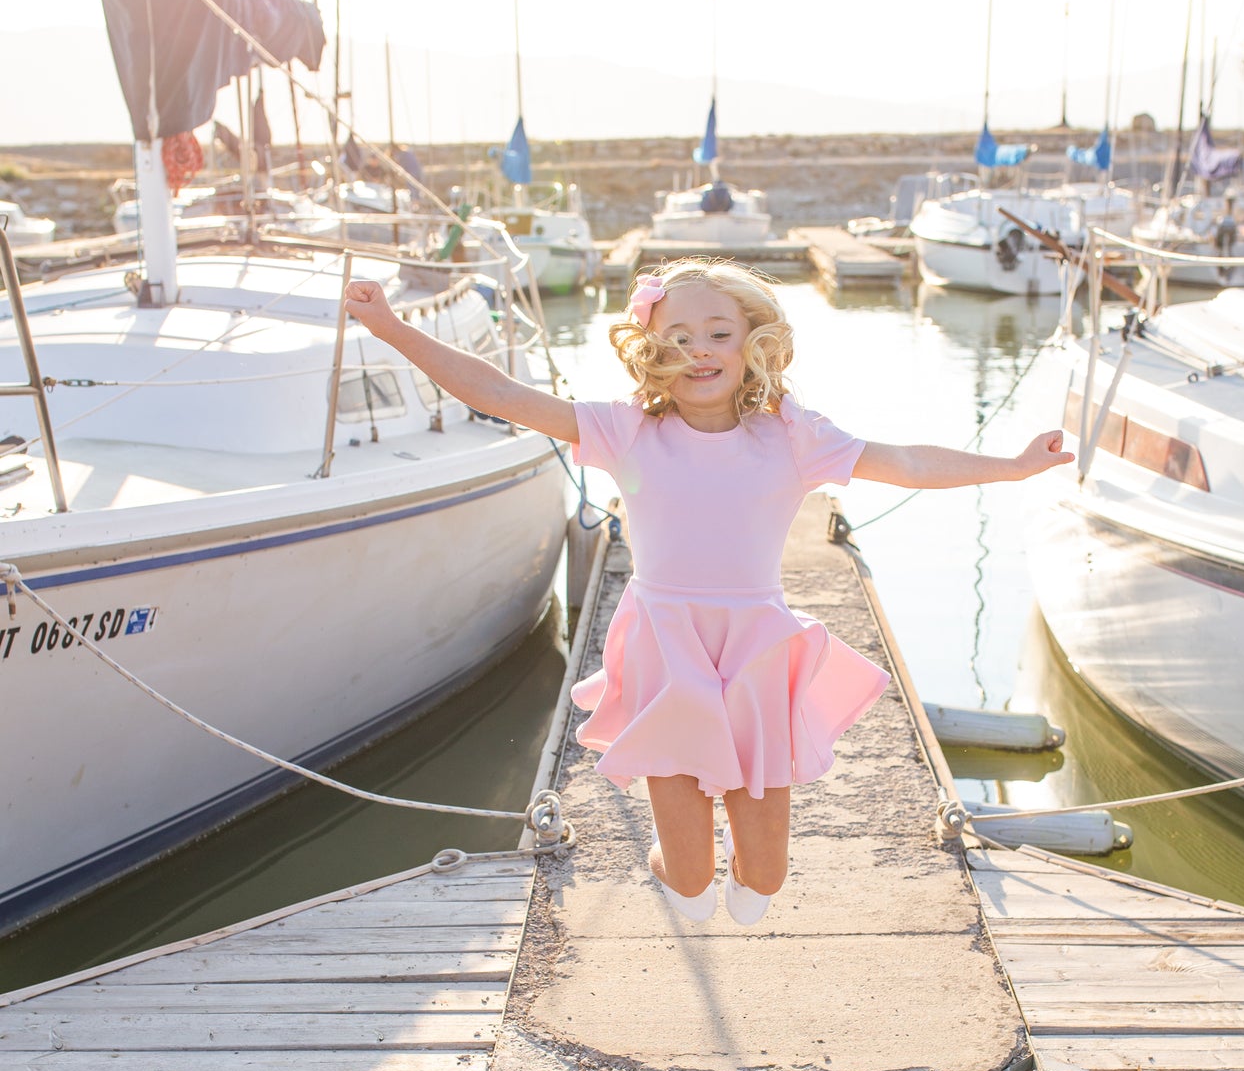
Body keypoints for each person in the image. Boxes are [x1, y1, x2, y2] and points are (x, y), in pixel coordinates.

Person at [341, 259, 1072, 928]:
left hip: (755, 650)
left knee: (761, 885)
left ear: (753, 341)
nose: (699, 350)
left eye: (719, 333)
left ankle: (737, 871)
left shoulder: (790, 436)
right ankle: (672, 867)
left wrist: (1008, 468)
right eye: (678, 336)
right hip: (666, 653)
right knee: (690, 892)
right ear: (651, 350)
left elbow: (906, 460)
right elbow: (498, 393)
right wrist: (389, 324)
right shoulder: (623, 432)